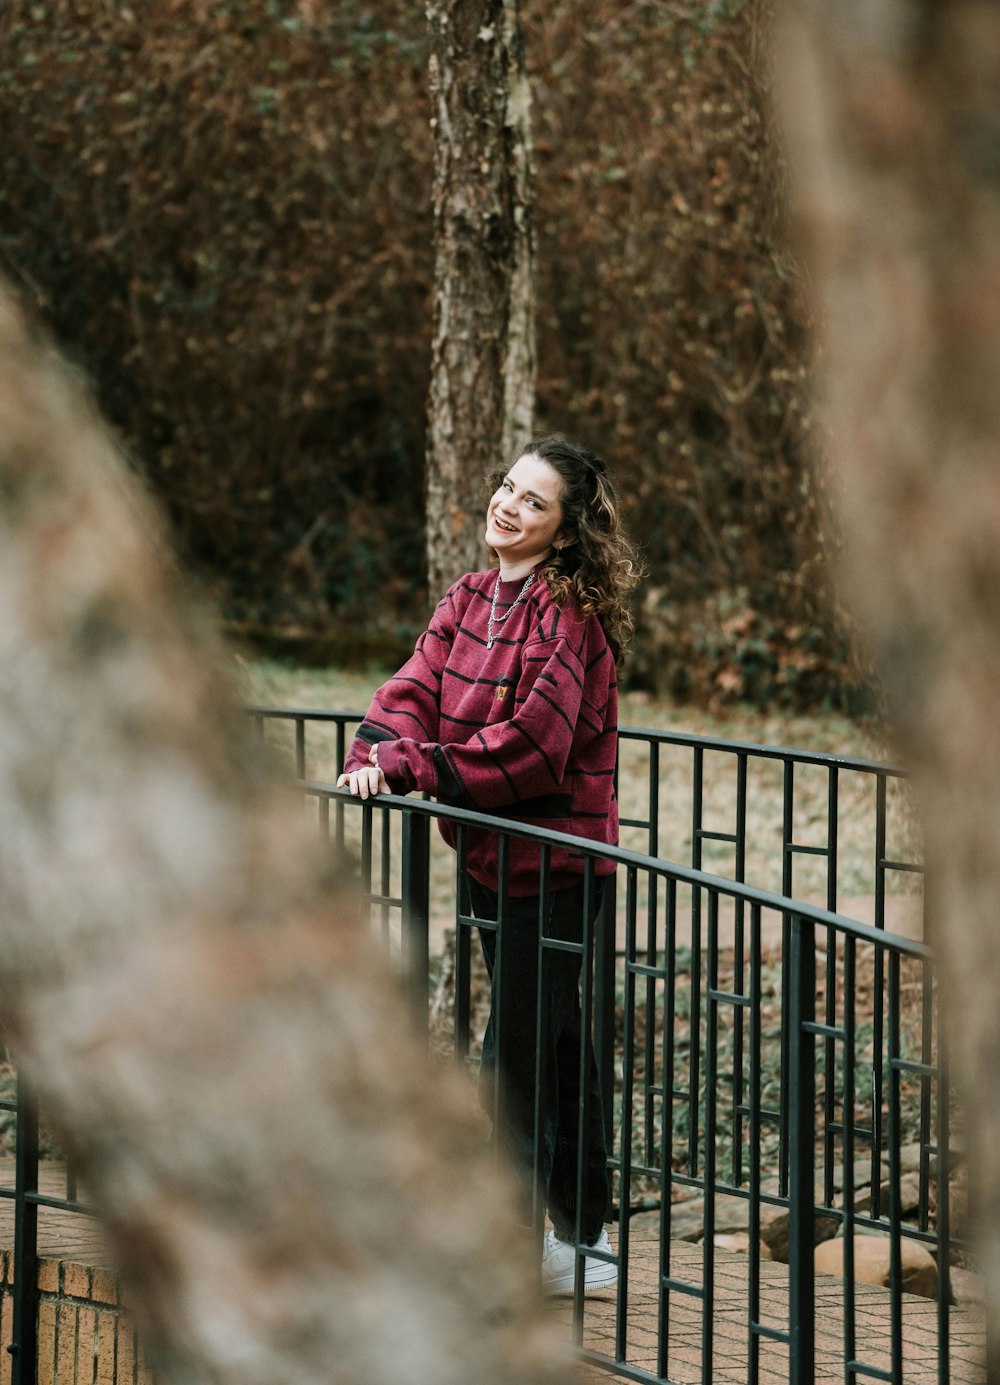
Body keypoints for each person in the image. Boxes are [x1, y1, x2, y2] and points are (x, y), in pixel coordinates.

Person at [337, 436, 640, 1295]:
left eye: (533, 501)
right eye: (508, 487)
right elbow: (411, 691)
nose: (507, 505)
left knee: (512, 1057)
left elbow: (538, 749)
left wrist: (418, 766)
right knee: (558, 1045)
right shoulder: (468, 597)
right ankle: (583, 1239)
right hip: (488, 858)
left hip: (559, 869)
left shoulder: (567, 617)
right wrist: (379, 749)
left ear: (566, 530)